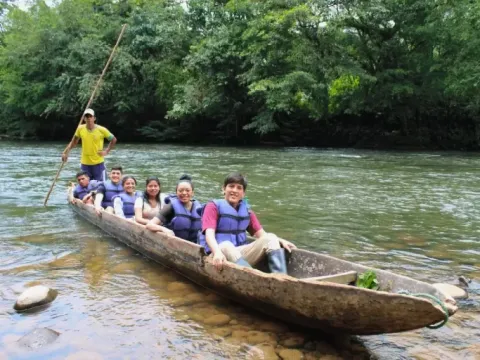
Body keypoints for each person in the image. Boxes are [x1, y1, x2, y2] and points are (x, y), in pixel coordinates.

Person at [198, 172, 296, 273]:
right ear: (223, 189)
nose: (234, 190)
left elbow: (262, 235)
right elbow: (209, 235)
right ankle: (252, 275)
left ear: (243, 193)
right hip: (217, 254)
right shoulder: (213, 206)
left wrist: (278, 240)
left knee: (271, 237)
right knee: (226, 245)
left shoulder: (247, 212)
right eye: (231, 186)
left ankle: (280, 276)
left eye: (239, 188)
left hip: (239, 255)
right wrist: (217, 252)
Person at [61, 108, 117, 181]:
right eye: (87, 117)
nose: (89, 118)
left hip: (98, 163)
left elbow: (113, 139)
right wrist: (65, 152)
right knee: (86, 186)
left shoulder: (102, 129)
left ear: (94, 118)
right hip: (85, 164)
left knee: (100, 186)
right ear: (84, 118)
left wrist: (106, 151)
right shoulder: (80, 128)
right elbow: (73, 142)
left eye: (90, 116)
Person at [146, 175, 202, 242]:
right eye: (180, 190)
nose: (184, 193)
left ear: (192, 193)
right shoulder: (170, 206)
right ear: (176, 192)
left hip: (194, 244)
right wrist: (164, 230)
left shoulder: (199, 208)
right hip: (173, 243)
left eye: (187, 190)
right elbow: (149, 225)